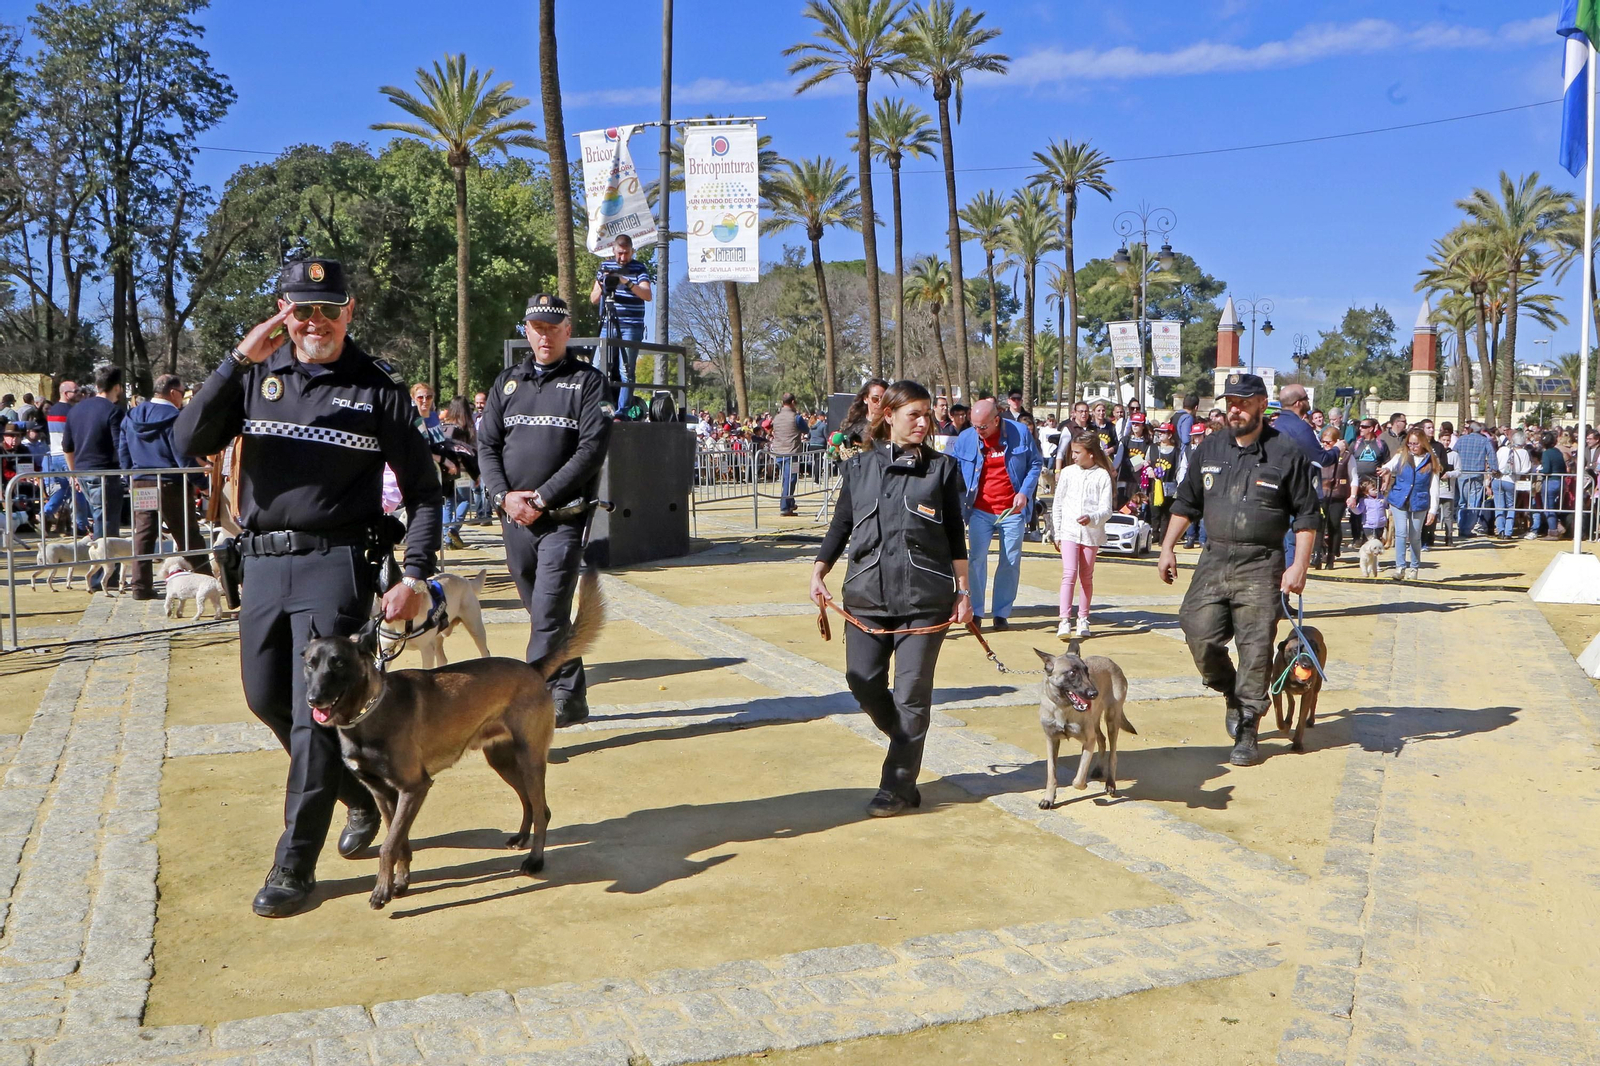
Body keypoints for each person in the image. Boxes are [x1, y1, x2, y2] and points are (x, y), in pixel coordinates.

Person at [173, 257, 443, 918]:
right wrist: (238, 358)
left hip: (337, 564)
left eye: (329, 308)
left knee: (313, 714)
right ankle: (356, 797)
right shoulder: (255, 374)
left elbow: (425, 490)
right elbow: (187, 438)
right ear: (282, 312)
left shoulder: (378, 387)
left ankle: (294, 863)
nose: (315, 321)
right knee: (265, 697)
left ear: (349, 311)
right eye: (302, 310)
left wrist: (416, 574)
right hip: (263, 565)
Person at [810, 380, 970, 817]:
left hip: (926, 597)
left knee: (912, 695)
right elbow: (841, 525)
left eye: (926, 415)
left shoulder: (942, 469)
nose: (923, 422)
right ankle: (906, 741)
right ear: (889, 416)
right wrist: (819, 570)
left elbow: (955, 535)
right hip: (867, 595)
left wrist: (964, 591)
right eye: (913, 414)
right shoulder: (859, 467)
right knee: (861, 680)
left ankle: (896, 786)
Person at [1157, 373, 1319, 767]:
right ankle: (1231, 689)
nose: (1235, 410)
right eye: (1230, 402)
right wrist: (1167, 548)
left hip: (1261, 563)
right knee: (1197, 630)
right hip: (1215, 558)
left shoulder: (1286, 452)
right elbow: (1186, 502)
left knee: (1256, 648)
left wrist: (1299, 565)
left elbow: (1307, 516)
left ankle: (1248, 727)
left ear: (1263, 404)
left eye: (1244, 403)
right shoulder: (1210, 447)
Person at [478, 294, 613, 727]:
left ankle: (527, 710)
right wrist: (504, 497)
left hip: (562, 520)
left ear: (567, 331)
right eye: (537, 328)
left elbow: (591, 450)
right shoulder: (507, 383)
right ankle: (570, 696)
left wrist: (541, 498)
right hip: (514, 520)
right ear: (526, 330)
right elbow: (487, 445)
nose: (544, 336)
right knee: (543, 615)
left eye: (553, 328)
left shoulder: (588, 381)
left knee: (549, 615)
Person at [948, 398, 1042, 631]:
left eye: (983, 427)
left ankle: (1001, 613)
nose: (978, 431)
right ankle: (977, 611)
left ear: (996, 420)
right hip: (979, 510)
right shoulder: (966, 438)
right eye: (974, 426)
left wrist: (1024, 492)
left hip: (1012, 510)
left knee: (1010, 561)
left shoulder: (1020, 433)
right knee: (976, 560)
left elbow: (1035, 463)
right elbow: (954, 473)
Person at [119, 373, 213, 600]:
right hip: (171, 482)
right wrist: (202, 484)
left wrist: (129, 477)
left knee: (143, 534)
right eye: (182, 392)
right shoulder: (175, 417)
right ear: (172, 393)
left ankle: (140, 587)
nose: (182, 397)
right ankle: (206, 580)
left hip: (141, 481)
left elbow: (123, 449)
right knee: (187, 534)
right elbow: (183, 455)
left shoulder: (131, 414)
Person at [62, 365, 127, 593]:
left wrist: (74, 473)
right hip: (105, 473)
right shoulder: (114, 411)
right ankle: (105, 578)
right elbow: (120, 445)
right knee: (106, 526)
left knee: (100, 522)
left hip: (82, 471)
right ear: (117, 387)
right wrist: (128, 471)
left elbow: (67, 446)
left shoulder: (76, 410)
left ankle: (104, 575)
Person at [1052, 433, 1113, 639]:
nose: (1073, 456)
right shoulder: (1068, 473)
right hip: (1068, 531)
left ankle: (1083, 618)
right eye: (1072, 452)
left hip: (1091, 534)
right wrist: (1057, 532)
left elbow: (1106, 509)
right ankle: (1064, 620)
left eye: (1078, 452)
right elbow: (1058, 504)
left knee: (1086, 576)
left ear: (1091, 453)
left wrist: (1092, 518)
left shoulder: (1102, 476)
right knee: (1069, 573)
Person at [590, 232, 653, 414]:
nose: (623, 257)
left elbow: (647, 295)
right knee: (598, 367)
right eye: (619, 253)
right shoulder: (605, 266)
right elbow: (593, 299)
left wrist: (626, 282)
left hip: (631, 325)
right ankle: (598, 409)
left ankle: (622, 412)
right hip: (608, 323)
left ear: (632, 251)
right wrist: (603, 283)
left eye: (626, 253)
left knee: (626, 370)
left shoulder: (639, 268)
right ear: (613, 250)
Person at [1380, 428, 1438, 581]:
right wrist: (1385, 469)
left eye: (1416, 444)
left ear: (1423, 443)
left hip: (1419, 501)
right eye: (1410, 443)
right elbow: (1390, 465)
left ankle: (1414, 567)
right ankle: (1400, 567)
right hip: (1399, 499)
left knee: (1415, 536)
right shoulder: (1402, 455)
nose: (1412, 447)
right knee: (1400, 532)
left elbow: (1434, 486)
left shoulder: (1431, 460)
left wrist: (1433, 510)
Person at [436, 397, 479, 550]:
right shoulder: (467, 427)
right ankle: (453, 529)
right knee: (465, 500)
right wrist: (476, 472)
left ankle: (446, 537)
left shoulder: (443, 424)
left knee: (448, 502)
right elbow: (473, 450)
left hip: (446, 468)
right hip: (463, 469)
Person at [1453, 420, 1497, 537]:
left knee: (1462, 501)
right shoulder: (1484, 441)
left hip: (1462, 474)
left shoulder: (1461, 439)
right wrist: (1494, 469)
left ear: (1470, 429)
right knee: (1474, 502)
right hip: (1477, 474)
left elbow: (1454, 453)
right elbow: (1491, 455)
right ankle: (1467, 529)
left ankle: (1461, 526)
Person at [769, 393, 807, 517]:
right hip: (792, 452)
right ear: (793, 402)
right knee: (791, 479)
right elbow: (806, 430)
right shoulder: (796, 418)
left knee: (786, 479)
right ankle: (785, 507)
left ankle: (790, 502)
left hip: (779, 452)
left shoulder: (776, 418)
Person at [1319, 425, 1351, 569]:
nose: (1325, 445)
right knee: (1319, 525)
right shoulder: (1319, 454)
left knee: (1334, 524)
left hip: (1338, 495)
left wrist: (1353, 495)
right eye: (1323, 442)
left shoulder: (1347, 456)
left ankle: (1331, 555)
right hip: (1321, 494)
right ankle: (1318, 553)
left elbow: (1353, 477)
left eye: (1328, 442)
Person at [1492, 430, 1532, 538]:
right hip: (1511, 480)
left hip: (1497, 479)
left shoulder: (1502, 449)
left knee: (1499, 506)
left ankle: (1500, 530)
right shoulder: (1524, 453)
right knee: (1510, 506)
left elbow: (1494, 463)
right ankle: (1508, 531)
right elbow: (1526, 469)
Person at [1535, 430, 1567, 539]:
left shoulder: (1546, 453)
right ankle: (1558, 526)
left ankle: (1553, 531)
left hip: (1550, 482)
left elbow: (1547, 469)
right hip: (1560, 481)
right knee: (1554, 506)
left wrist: (1539, 471)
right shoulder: (1558, 452)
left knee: (1548, 507)